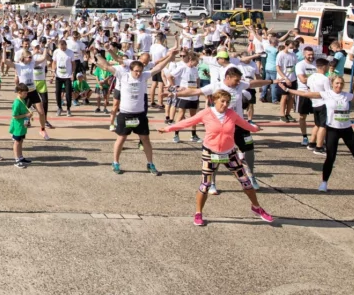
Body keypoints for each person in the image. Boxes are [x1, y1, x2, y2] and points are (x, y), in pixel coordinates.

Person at [159, 90, 273, 226]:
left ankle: (256, 207)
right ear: (215, 101)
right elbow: (187, 122)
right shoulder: (206, 113)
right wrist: (168, 129)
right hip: (210, 152)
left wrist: (255, 129)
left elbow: (244, 124)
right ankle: (198, 213)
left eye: (227, 102)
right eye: (222, 101)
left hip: (229, 153)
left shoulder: (231, 114)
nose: (225, 105)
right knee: (205, 185)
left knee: (246, 181)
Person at [281, 76, 354, 192]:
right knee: (330, 157)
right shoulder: (326, 94)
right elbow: (305, 94)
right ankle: (324, 183)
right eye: (337, 83)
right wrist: (288, 90)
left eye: (341, 83)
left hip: (347, 130)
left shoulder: (347, 96)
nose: (339, 86)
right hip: (332, 130)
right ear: (332, 84)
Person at [99, 46, 177, 175]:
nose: (138, 73)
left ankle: (150, 163)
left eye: (140, 71)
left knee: (145, 139)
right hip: (125, 114)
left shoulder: (144, 76)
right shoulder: (122, 75)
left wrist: (169, 56)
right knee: (121, 139)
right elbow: (107, 66)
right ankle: (116, 163)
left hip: (140, 115)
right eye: (136, 71)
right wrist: (97, 54)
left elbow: (158, 68)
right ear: (131, 70)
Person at [10, 83, 31, 167]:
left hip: (22, 125)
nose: (26, 94)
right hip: (17, 125)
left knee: (21, 141)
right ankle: (16, 159)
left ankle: (20, 156)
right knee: (17, 142)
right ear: (19, 92)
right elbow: (14, 115)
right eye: (25, 93)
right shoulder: (17, 102)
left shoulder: (23, 100)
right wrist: (26, 115)